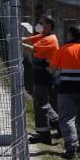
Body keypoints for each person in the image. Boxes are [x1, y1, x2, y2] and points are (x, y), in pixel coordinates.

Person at [48, 24, 80, 159]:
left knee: (67, 118)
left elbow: (51, 69)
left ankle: (71, 146)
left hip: (66, 89)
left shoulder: (62, 50)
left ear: (70, 34)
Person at [21, 15, 59, 144]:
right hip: (41, 74)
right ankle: (55, 124)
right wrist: (23, 39)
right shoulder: (44, 36)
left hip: (44, 75)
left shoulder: (50, 39)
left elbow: (33, 49)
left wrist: (18, 44)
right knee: (41, 101)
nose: (42, 26)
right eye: (41, 24)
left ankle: (46, 132)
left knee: (40, 102)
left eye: (44, 25)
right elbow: (31, 39)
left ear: (50, 27)